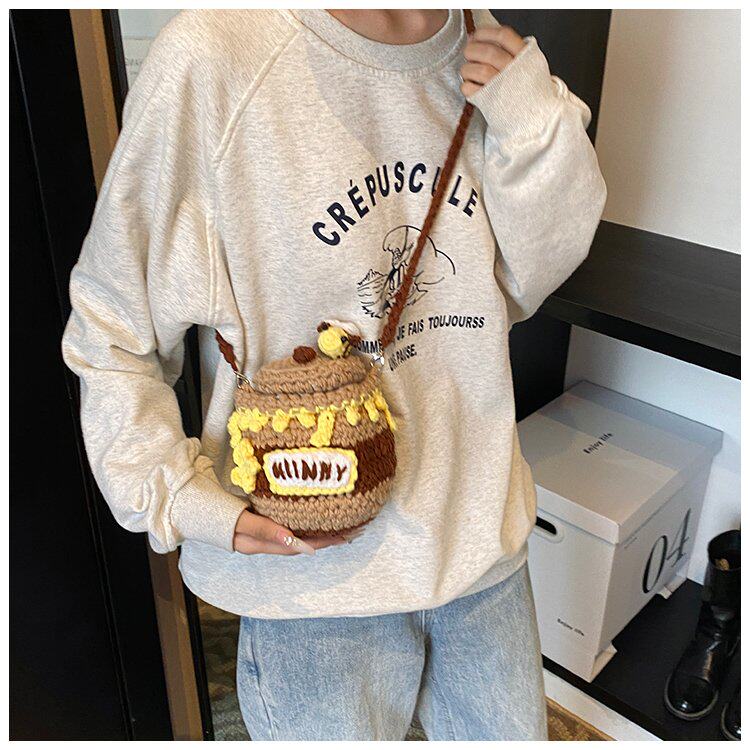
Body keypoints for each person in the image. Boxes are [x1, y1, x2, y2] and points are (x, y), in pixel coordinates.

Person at [62, 9, 606, 740]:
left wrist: (536, 125)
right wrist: (179, 499)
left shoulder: (487, 51)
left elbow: (522, 282)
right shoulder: (218, 54)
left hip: (479, 553)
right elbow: (112, 328)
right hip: (311, 587)